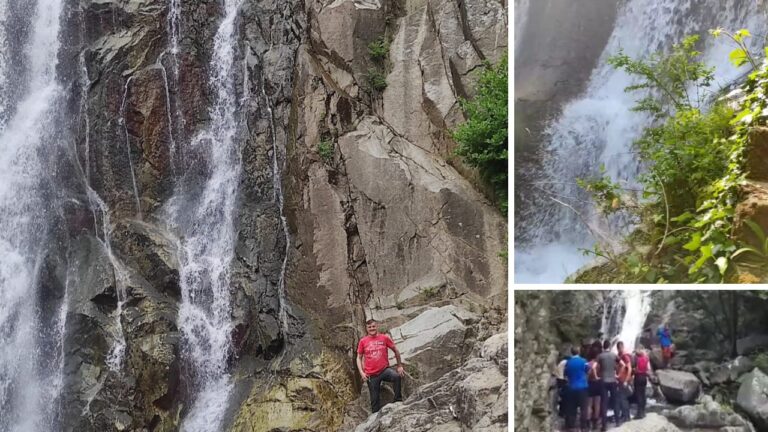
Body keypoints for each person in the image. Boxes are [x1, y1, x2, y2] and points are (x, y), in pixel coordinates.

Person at [356, 319, 405, 413]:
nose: (372, 328)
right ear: (366, 329)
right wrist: (362, 373)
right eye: (369, 327)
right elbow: (358, 358)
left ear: (377, 326)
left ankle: (398, 401)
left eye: (373, 326)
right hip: (371, 375)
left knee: (396, 376)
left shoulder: (384, 338)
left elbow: (396, 350)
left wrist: (399, 366)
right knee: (374, 402)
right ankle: (375, 419)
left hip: (384, 370)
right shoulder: (363, 341)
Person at [596, 340, 625, 431]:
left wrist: (598, 375)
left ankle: (604, 426)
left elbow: (594, 367)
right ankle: (617, 422)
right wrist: (618, 375)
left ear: (603, 347)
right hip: (613, 380)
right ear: (610, 346)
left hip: (603, 380)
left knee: (604, 403)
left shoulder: (600, 356)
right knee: (615, 401)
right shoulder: (614, 355)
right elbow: (623, 365)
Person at [564, 345, 590, 432]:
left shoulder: (568, 362)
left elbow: (566, 373)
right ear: (579, 352)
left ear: (571, 352)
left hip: (571, 387)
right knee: (584, 408)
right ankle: (583, 426)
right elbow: (588, 370)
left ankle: (571, 426)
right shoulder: (584, 361)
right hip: (582, 386)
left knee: (572, 408)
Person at [586, 341, 603, 430]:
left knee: (589, 404)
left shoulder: (588, 364)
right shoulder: (599, 364)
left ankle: (588, 424)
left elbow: (586, 375)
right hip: (598, 383)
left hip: (590, 383)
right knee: (597, 404)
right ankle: (595, 424)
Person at [616, 341, 633, 424]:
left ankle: (626, 417)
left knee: (623, 399)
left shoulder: (625, 356)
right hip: (620, 380)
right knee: (621, 398)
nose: (619, 349)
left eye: (620, 347)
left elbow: (629, 368)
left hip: (624, 380)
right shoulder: (620, 356)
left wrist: (626, 380)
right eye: (619, 348)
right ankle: (624, 415)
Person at [633, 347, 652, 419]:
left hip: (638, 377)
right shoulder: (646, 358)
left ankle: (639, 413)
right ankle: (643, 412)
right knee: (643, 394)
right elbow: (649, 370)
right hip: (644, 378)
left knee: (638, 395)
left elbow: (634, 369)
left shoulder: (636, 359)